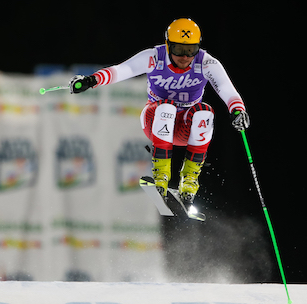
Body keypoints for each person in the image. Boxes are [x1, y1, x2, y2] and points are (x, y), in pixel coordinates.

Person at [69, 18, 249, 209]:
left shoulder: (206, 62)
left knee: (205, 112)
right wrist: (92, 80)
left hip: (184, 129)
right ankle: (161, 176)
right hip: (155, 119)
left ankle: (189, 180)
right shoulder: (154, 57)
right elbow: (123, 70)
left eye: (191, 50)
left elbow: (226, 89)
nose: (185, 57)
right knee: (167, 107)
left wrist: (238, 110)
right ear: (168, 44)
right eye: (179, 49)